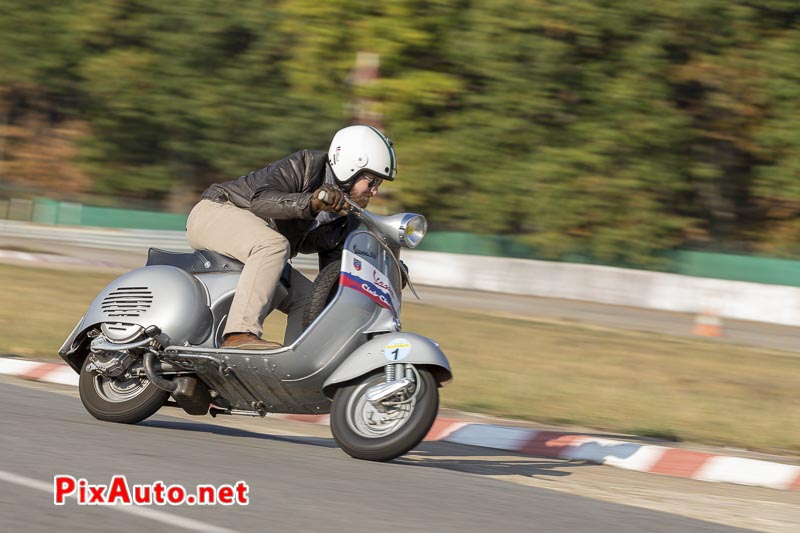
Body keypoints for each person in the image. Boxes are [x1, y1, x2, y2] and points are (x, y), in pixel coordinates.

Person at [185, 125, 397, 350]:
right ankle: (239, 334)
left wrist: (384, 279)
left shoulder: (346, 218)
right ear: (351, 167)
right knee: (273, 245)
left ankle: (293, 366)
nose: (374, 191)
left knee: (309, 299)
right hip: (216, 211)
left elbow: (332, 279)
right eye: (372, 182)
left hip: (258, 248)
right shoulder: (306, 165)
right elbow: (262, 201)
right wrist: (311, 203)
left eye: (379, 184)